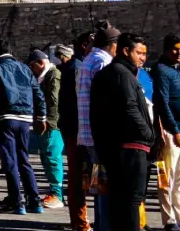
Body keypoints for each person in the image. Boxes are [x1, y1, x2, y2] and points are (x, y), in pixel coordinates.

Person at [91, 32, 156, 231]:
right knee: (130, 202)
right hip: (130, 148)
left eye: (145, 54)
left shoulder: (114, 73)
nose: (143, 58)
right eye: (139, 53)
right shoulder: (122, 74)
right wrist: (148, 135)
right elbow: (130, 108)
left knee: (120, 201)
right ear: (126, 51)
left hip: (116, 148)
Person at [0, 39, 45, 214]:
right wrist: (41, 116)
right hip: (25, 119)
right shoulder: (25, 68)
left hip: (5, 118)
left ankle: (16, 202)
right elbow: (38, 93)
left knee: (10, 161)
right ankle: (34, 200)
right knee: (24, 159)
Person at [77, 24, 119, 231]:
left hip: (87, 133)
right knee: (105, 184)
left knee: (98, 184)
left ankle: (102, 223)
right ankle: (105, 225)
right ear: (112, 45)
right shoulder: (103, 62)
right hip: (101, 134)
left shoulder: (88, 60)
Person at [153, 34, 180, 231]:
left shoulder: (177, 71)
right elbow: (162, 102)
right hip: (173, 133)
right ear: (167, 49)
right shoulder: (162, 71)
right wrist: (175, 131)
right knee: (167, 179)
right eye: (175, 49)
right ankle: (169, 221)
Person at [62, 31, 95, 231]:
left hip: (75, 128)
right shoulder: (78, 67)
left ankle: (80, 220)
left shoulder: (77, 65)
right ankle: (80, 221)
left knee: (81, 176)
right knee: (78, 176)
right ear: (85, 45)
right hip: (76, 129)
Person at [28, 49, 65, 210]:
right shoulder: (44, 76)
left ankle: (57, 194)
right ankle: (53, 191)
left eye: (32, 66)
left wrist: (47, 119)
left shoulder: (53, 75)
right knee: (46, 157)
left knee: (52, 157)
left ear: (40, 63)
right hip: (44, 122)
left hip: (51, 124)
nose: (31, 70)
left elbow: (53, 101)